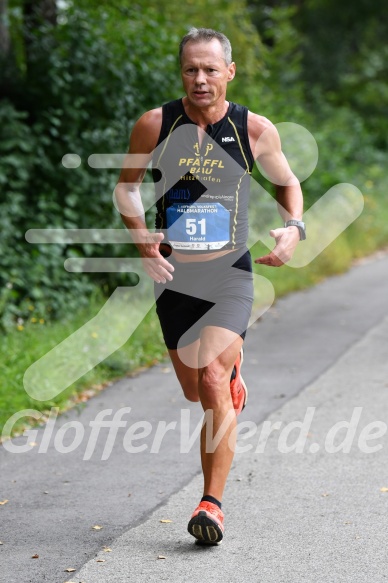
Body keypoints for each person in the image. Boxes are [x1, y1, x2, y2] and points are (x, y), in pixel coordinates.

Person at [115, 27, 305, 545]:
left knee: (215, 380)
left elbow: (289, 183)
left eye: (210, 70)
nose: (200, 79)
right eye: (190, 70)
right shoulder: (154, 124)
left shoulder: (253, 129)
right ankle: (229, 377)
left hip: (229, 272)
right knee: (197, 390)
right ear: (182, 73)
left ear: (229, 72)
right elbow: (126, 188)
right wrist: (141, 238)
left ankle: (211, 505)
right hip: (175, 276)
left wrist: (294, 227)